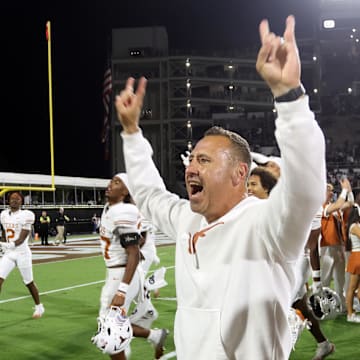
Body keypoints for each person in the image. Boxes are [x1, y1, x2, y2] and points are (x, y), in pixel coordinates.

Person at [115, 15, 326, 359]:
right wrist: (132, 133)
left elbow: (305, 190)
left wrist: (290, 99)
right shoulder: (188, 219)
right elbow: (150, 196)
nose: (191, 168)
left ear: (239, 174)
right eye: (192, 159)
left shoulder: (265, 225)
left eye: (204, 161)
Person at [248, 163, 335, 359]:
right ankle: (324, 344)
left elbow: (312, 247)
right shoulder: (260, 205)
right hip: (276, 262)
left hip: (297, 262)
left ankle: (280, 342)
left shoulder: (306, 205)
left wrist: (318, 282)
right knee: (299, 304)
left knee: (279, 305)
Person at [95, 173, 168, 360]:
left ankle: (152, 335)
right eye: (111, 180)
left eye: (118, 182)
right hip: (117, 271)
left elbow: (134, 252)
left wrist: (121, 290)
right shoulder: (111, 208)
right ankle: (155, 335)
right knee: (110, 326)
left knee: (109, 332)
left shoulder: (123, 211)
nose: (111, 184)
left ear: (126, 191)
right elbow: (138, 240)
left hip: (121, 273)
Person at [0, 191, 45, 318]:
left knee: (28, 282)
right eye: (12, 199)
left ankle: (39, 306)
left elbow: (21, 239)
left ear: (21, 201)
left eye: (17, 199)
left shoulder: (26, 215)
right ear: (8, 201)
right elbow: (5, 233)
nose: (14, 201)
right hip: (9, 254)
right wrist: (3, 244)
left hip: (22, 253)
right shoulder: (3, 215)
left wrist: (7, 245)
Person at [320, 179, 354, 311]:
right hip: (326, 246)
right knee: (326, 278)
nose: (332, 192)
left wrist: (349, 191)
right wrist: (344, 190)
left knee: (340, 278)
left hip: (338, 246)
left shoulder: (333, 208)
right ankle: (322, 305)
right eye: (329, 190)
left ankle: (341, 304)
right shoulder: (321, 206)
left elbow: (349, 203)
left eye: (333, 190)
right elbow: (340, 203)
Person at [345, 202, 360, 323]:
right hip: (357, 257)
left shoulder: (356, 225)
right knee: (352, 288)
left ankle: (353, 311)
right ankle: (350, 314)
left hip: (358, 256)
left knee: (358, 288)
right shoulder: (354, 227)